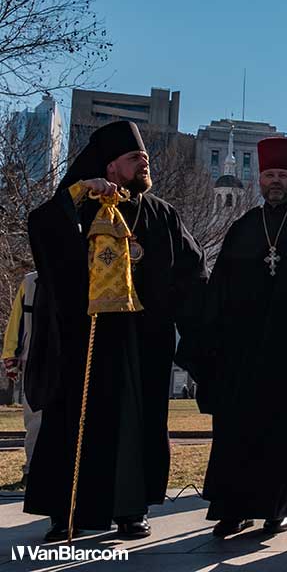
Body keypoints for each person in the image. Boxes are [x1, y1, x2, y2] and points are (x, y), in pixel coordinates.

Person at [24, 121, 206, 541]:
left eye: (145, 158)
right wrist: (77, 192)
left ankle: (131, 510)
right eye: (133, 159)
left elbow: (193, 271)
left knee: (133, 425)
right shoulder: (79, 204)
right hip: (84, 338)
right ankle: (65, 512)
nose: (144, 163)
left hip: (142, 340)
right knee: (75, 421)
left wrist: (200, 321)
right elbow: (43, 229)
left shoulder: (161, 212)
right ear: (109, 165)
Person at [195, 137, 287, 537]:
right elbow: (219, 290)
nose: (275, 181)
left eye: (283, 175)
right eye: (269, 175)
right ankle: (233, 508)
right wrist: (212, 342)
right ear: (259, 180)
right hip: (241, 355)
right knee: (235, 433)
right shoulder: (241, 228)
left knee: (284, 434)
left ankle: (279, 507)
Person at [3, 271, 42, 484]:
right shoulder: (30, 282)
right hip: (33, 358)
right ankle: (32, 471)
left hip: (66, 359)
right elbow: (16, 320)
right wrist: (11, 354)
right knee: (35, 418)